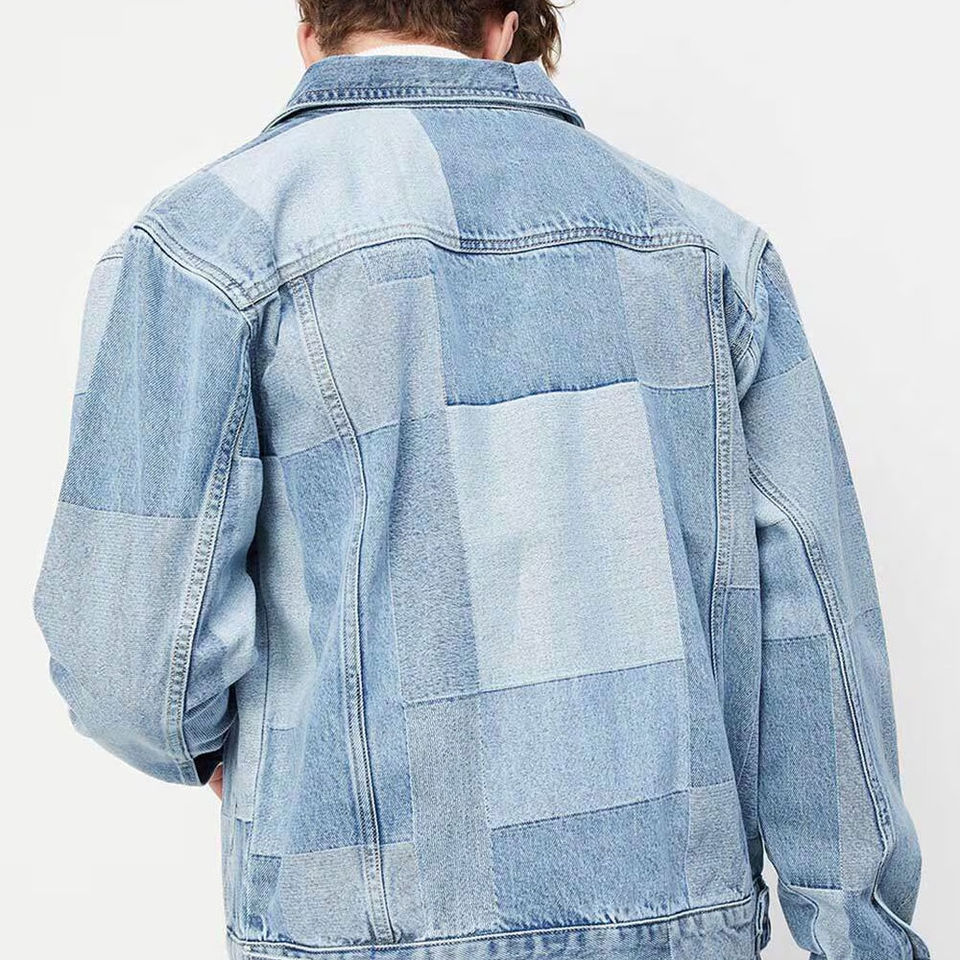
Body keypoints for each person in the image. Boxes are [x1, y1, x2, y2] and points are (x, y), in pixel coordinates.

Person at [33, 2, 928, 958]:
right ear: (505, 29)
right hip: (675, 920)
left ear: (310, 28)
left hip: (360, 930)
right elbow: (815, 623)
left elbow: (124, 660)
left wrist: (201, 743)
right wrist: (857, 933)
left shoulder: (203, 248)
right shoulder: (707, 250)